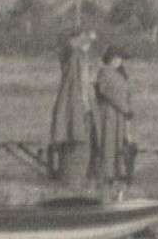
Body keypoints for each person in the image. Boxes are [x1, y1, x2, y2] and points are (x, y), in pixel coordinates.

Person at [48, 26, 98, 186]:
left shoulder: (77, 55)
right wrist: (88, 37)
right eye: (83, 39)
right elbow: (70, 46)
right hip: (75, 103)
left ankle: (74, 178)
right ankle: (73, 179)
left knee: (76, 138)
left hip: (75, 103)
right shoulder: (73, 54)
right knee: (75, 138)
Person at [90, 45, 134, 186]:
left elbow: (125, 93)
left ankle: (117, 173)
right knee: (107, 143)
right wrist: (124, 107)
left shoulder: (119, 73)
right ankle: (106, 175)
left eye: (120, 58)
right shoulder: (104, 72)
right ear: (110, 58)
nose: (119, 61)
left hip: (119, 114)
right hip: (108, 113)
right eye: (116, 58)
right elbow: (107, 92)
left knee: (118, 144)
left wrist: (126, 109)